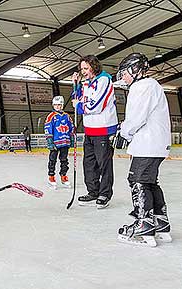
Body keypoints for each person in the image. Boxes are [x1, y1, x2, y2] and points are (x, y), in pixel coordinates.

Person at [115, 53, 172, 247]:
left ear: (134, 70)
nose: (123, 78)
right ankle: (160, 223)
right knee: (150, 182)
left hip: (148, 143)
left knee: (138, 181)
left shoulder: (142, 86)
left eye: (124, 73)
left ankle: (143, 225)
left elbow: (137, 117)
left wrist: (124, 132)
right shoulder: (152, 85)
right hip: (156, 143)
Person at [71, 55, 118, 209]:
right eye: (82, 69)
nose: (83, 71)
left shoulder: (104, 80)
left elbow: (96, 105)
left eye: (86, 68)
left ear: (94, 66)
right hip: (89, 130)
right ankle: (93, 191)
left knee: (103, 163)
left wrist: (79, 106)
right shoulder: (86, 83)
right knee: (89, 163)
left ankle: (104, 193)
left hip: (103, 129)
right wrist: (76, 85)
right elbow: (75, 98)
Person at [44, 96, 74, 188]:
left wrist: (71, 138)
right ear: (53, 105)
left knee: (64, 160)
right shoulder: (51, 116)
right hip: (55, 143)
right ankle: (51, 176)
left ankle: (63, 176)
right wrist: (50, 140)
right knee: (52, 160)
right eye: (56, 105)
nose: (58, 107)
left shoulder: (67, 116)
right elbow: (48, 128)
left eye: (59, 105)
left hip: (65, 142)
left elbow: (71, 127)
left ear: (62, 105)